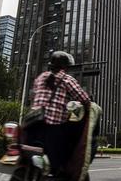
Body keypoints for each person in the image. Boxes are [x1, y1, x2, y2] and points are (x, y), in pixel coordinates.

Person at [29, 50, 91, 178]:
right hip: (52, 129)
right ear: (65, 66)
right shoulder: (67, 80)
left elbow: (33, 97)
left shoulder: (41, 77)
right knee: (57, 163)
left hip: (31, 126)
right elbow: (84, 99)